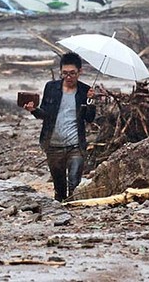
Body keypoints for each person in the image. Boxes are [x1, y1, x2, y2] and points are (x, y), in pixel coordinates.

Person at [24, 52, 96, 202]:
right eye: (65, 73)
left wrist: (90, 102)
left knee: (75, 185)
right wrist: (33, 110)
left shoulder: (85, 90)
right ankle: (62, 218)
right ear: (60, 72)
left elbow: (89, 118)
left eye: (72, 73)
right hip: (53, 145)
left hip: (76, 145)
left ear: (80, 72)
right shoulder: (51, 88)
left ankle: (76, 219)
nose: (68, 77)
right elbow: (44, 114)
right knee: (60, 189)